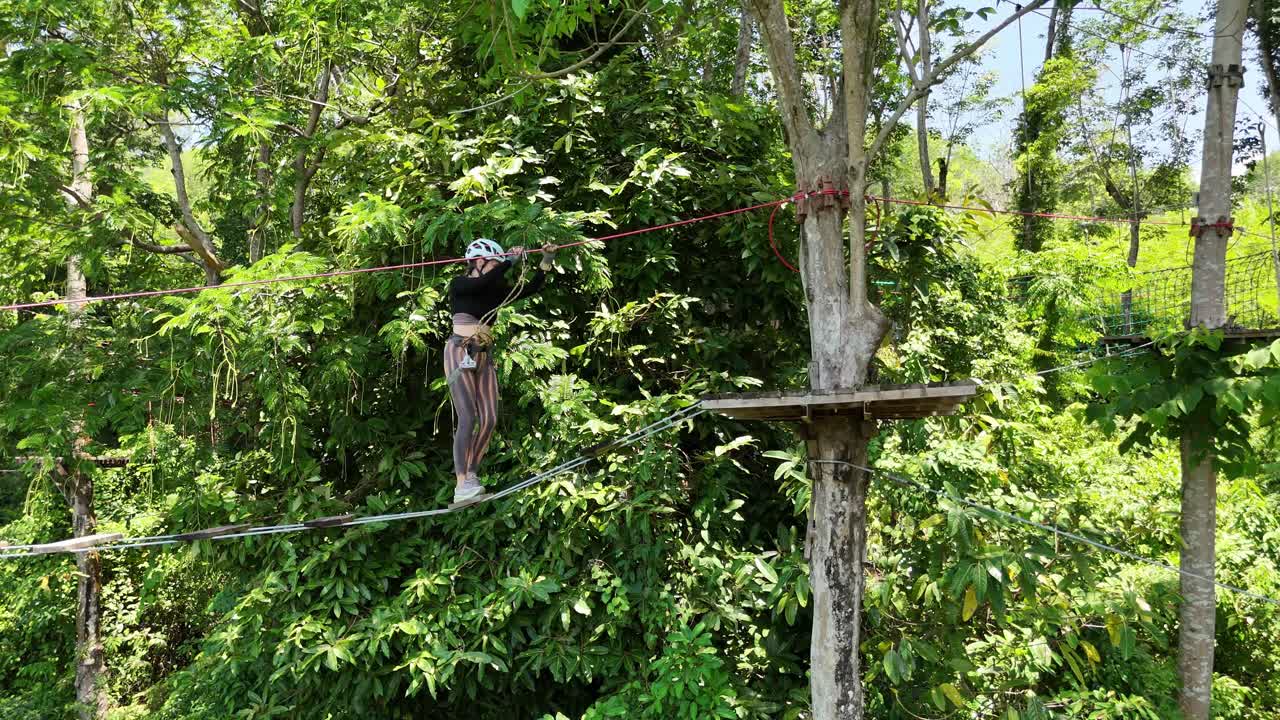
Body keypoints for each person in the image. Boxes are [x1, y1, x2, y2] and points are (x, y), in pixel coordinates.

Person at [445, 238, 555, 505]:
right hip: (459, 351)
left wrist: (546, 260)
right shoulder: (460, 284)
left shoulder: (493, 291)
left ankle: (471, 476)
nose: (497, 269)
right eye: (493, 263)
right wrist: (507, 263)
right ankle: (461, 484)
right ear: (478, 262)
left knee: (490, 418)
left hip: (483, 355)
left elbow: (530, 288)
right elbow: (480, 284)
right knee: (468, 417)